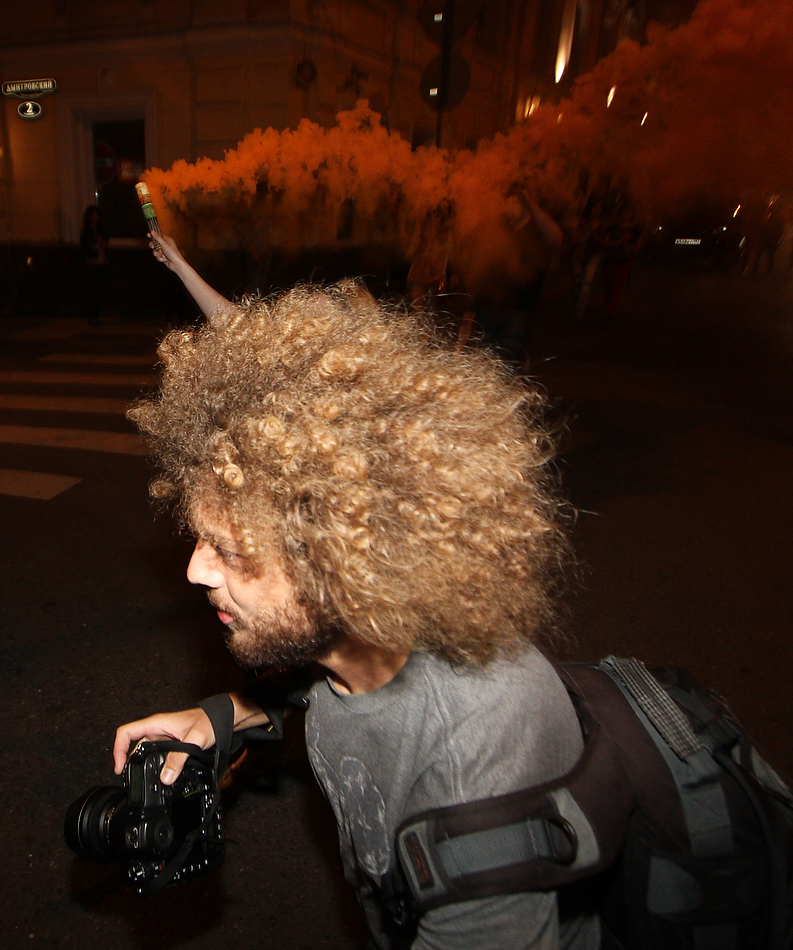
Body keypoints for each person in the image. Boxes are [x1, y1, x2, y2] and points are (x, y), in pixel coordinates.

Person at [113, 232, 599, 949]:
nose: (196, 571)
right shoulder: (370, 623)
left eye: (232, 549)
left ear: (344, 559)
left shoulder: (480, 756)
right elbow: (335, 678)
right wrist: (226, 718)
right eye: (201, 536)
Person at [79, 204, 108, 324]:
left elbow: (106, 241)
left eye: (97, 216)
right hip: (92, 263)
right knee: (93, 290)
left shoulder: (100, 230)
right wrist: (96, 246)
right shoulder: (86, 231)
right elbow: (85, 248)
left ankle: (97, 315)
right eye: (93, 216)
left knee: (99, 290)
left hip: (101, 262)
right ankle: (92, 316)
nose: (95, 218)